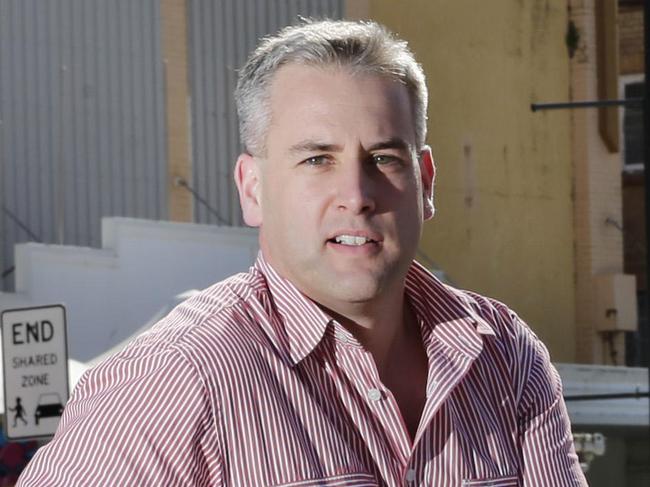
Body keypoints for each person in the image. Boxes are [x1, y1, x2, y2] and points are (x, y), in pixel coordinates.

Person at [18, 19, 587, 486]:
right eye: (317, 159)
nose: (357, 197)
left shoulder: (504, 357)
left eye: (385, 158)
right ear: (253, 189)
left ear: (426, 182)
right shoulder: (172, 382)